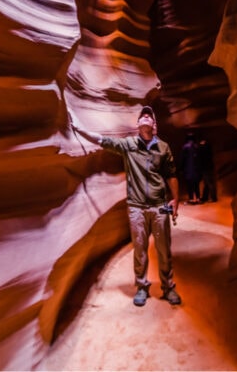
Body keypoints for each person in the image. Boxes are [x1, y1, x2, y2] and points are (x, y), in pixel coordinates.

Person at [73, 105, 182, 307]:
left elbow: (171, 175)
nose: (146, 117)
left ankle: (168, 287)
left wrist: (175, 200)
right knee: (139, 249)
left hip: (159, 206)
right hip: (137, 207)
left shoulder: (163, 148)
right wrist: (79, 129)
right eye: (143, 116)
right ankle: (142, 287)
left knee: (163, 249)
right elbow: (102, 141)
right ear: (138, 124)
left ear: (154, 125)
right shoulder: (128, 145)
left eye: (149, 115)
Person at [179, 131, 202, 204]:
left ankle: (191, 199)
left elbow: (182, 159)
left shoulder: (185, 147)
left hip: (188, 170)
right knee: (196, 185)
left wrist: (181, 168)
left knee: (189, 185)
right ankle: (198, 198)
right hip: (197, 170)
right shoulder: (197, 146)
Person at [198, 134, 217, 203]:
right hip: (209, 167)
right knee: (207, 183)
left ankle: (213, 198)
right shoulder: (208, 147)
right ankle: (205, 197)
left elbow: (200, 159)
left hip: (205, 168)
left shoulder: (201, 148)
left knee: (209, 183)